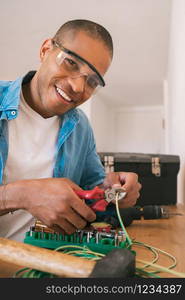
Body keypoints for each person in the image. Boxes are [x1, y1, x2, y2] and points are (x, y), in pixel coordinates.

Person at [0, 19, 141, 242]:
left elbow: (94, 196)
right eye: (71, 63)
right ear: (45, 50)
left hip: (48, 263)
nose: (78, 87)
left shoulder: (81, 128)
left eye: (92, 81)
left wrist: (113, 193)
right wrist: (18, 196)